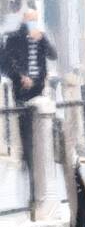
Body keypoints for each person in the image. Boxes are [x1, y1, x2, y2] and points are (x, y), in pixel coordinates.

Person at [1, 9, 57, 170]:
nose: (33, 23)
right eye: (30, 19)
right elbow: (6, 63)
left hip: (38, 87)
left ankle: (38, 156)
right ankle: (27, 156)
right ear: (24, 19)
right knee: (24, 122)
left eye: (35, 20)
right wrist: (21, 77)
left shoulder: (40, 37)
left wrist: (44, 40)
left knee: (39, 120)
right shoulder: (13, 38)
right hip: (21, 87)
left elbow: (53, 56)